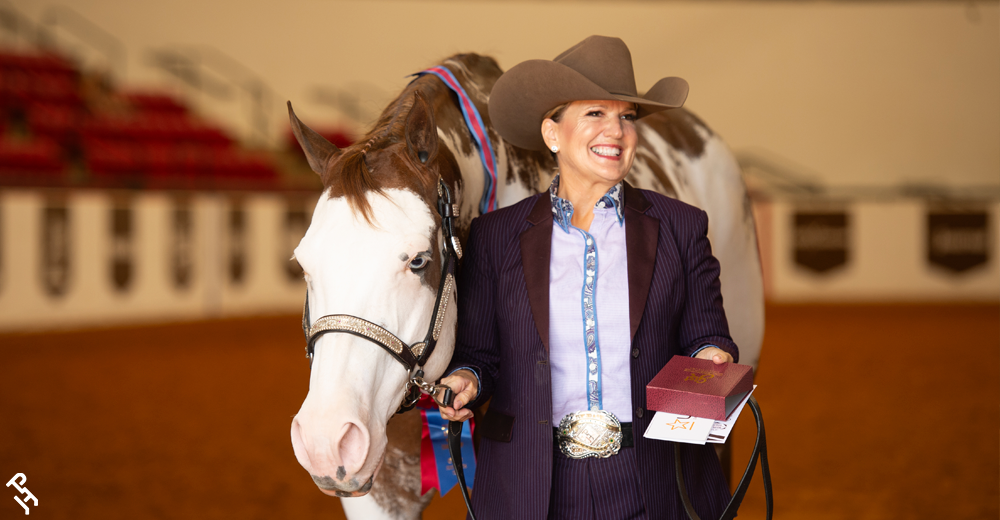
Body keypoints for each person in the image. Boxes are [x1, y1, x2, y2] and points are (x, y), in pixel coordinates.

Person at [438, 35, 738, 520]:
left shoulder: (682, 226)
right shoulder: (495, 237)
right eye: (595, 114)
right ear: (552, 134)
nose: (615, 131)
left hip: (655, 476)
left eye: (626, 117)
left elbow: (708, 336)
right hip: (534, 483)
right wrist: (467, 379)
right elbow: (480, 355)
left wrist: (712, 359)